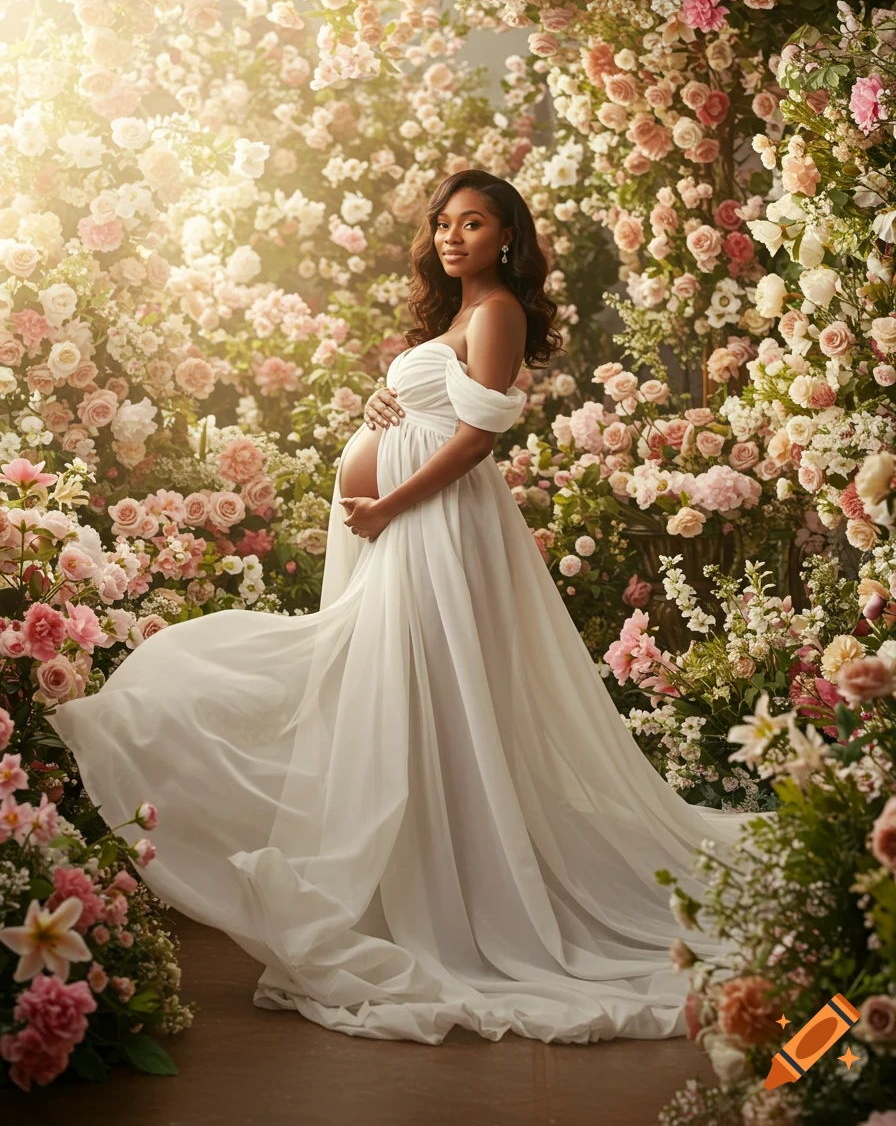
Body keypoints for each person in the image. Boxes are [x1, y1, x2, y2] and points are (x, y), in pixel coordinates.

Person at [50, 169, 756, 1047]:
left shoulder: (497, 311)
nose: (455, 236)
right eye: (445, 223)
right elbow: (442, 407)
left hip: (435, 527)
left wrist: (389, 501)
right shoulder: (459, 317)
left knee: (411, 686)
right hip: (409, 525)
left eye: (475, 223)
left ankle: (458, 890)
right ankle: (421, 865)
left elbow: (479, 436)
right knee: (391, 689)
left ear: (507, 238)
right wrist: (388, 409)